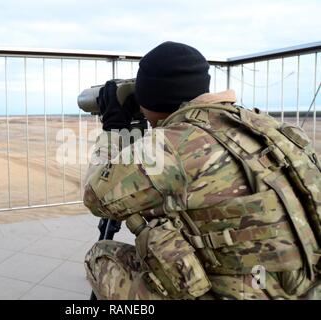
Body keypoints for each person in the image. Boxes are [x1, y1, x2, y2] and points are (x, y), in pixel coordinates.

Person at [83, 41, 321, 300]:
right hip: (307, 285)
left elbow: (96, 198)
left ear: (150, 97)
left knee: (101, 257)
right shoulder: (268, 127)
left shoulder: (172, 145)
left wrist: (114, 131)